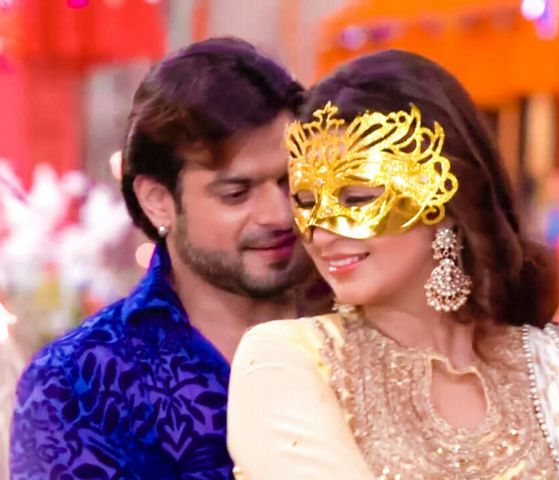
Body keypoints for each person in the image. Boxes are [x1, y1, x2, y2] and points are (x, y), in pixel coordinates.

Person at [227, 49, 559, 479]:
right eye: (305, 202)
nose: (321, 231)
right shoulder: (287, 360)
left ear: (444, 197)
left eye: (357, 199)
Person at [11, 37, 328, 480]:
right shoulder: (79, 382)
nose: (279, 215)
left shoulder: (369, 329)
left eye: (290, 184)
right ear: (158, 200)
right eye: (237, 193)